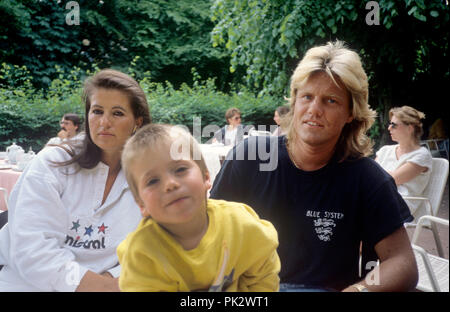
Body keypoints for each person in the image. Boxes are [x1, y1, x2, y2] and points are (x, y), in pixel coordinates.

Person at [210, 41, 418, 292]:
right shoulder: (249, 157)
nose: (314, 110)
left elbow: (402, 263)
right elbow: (209, 233)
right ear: (295, 101)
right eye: (307, 96)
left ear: (351, 112)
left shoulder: (367, 179)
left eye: (330, 101)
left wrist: (357, 290)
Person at [0, 69, 151, 291]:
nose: (104, 122)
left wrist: (114, 278)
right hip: (28, 284)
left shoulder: (150, 177)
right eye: (97, 111)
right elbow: (31, 250)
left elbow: (153, 245)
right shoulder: (52, 163)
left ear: (137, 122)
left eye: (117, 113)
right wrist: (101, 287)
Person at [117, 124, 280, 291]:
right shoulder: (141, 254)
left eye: (180, 169)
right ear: (141, 204)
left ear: (206, 177)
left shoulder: (240, 223)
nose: (170, 184)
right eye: (152, 181)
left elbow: (264, 272)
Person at [375, 106, 432, 219]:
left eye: (394, 125)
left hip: (400, 206)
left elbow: (391, 179)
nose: (389, 128)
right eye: (390, 124)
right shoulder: (385, 150)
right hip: (378, 200)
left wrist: (372, 174)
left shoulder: (422, 155)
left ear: (409, 128)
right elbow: (371, 176)